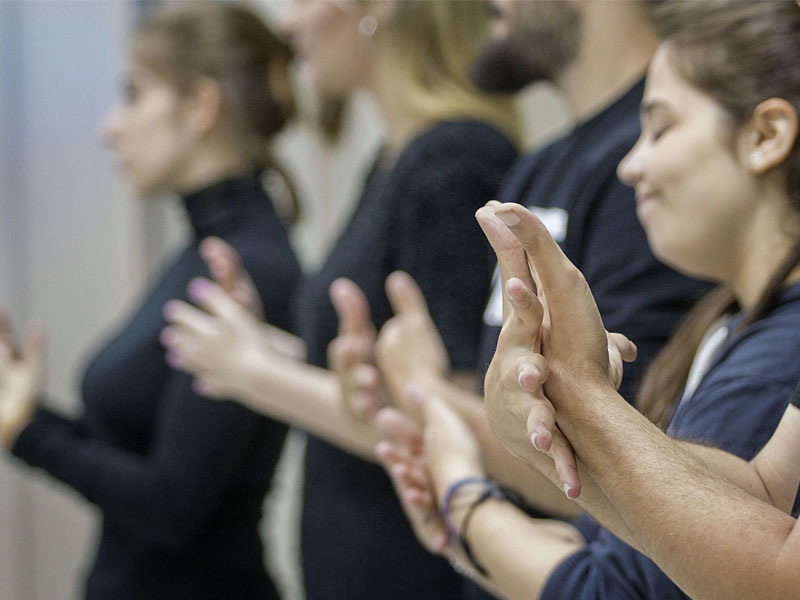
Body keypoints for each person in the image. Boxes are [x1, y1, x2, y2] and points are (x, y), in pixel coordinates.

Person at [378, 1, 800, 598]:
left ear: (767, 135)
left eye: (660, 127)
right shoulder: (731, 322)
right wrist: (548, 426)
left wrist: (467, 501)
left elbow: (633, 585)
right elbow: (757, 497)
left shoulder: (778, 347)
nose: (633, 165)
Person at [161, 1, 518, 597]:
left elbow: (451, 418)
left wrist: (253, 372)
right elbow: (374, 379)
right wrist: (260, 345)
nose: (287, 23)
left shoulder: (455, 162)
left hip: (412, 568)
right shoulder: (399, 157)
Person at [330, 0, 712, 535]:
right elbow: (512, 409)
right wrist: (400, 391)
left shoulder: (652, 175)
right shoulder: (540, 167)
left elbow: (622, 473)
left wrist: (424, 393)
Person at [0, 4, 302, 599]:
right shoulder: (207, 250)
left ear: (200, 107)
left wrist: (27, 435)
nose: (110, 127)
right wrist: (23, 412)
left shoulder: (246, 268)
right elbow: (135, 449)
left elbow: (171, 506)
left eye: (133, 95)